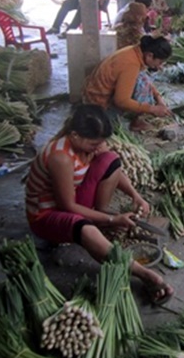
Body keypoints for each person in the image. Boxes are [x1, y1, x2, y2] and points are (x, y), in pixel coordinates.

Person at [25, 105, 174, 304]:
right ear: (75, 135)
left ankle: (99, 224)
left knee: (110, 159)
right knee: (85, 230)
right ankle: (145, 275)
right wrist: (112, 219)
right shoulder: (60, 157)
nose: (99, 146)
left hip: (72, 199)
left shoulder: (92, 144)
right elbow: (67, 206)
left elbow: (114, 170)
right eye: (94, 143)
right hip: (45, 215)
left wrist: (136, 196)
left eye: (101, 141)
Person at [83, 35, 172, 130]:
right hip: (99, 106)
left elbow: (144, 79)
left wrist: (158, 98)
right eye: (160, 62)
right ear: (149, 55)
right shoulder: (131, 64)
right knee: (142, 84)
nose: (160, 67)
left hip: (95, 95)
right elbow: (121, 101)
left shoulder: (134, 51)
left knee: (142, 78)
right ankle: (135, 121)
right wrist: (152, 109)